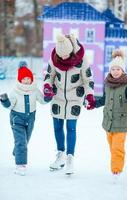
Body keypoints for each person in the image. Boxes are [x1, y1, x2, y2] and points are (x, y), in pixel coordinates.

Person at [43, 34, 95, 174]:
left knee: (71, 127)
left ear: (71, 50)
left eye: (66, 54)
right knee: (57, 127)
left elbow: (88, 80)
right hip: (57, 96)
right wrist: (47, 86)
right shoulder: (54, 58)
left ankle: (70, 158)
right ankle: (60, 154)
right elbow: (49, 76)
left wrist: (89, 95)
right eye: (61, 55)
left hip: (74, 98)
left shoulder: (82, 60)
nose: (64, 57)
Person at [86, 49, 127, 176]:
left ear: (122, 71)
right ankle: (116, 165)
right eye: (113, 69)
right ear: (110, 70)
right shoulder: (108, 85)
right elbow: (104, 100)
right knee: (112, 147)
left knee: (118, 147)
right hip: (108, 123)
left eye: (118, 69)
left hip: (121, 123)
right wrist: (94, 104)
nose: (115, 71)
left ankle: (116, 170)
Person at [0, 61, 47, 176]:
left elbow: (42, 101)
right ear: (20, 80)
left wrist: (49, 96)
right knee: (21, 142)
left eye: (28, 78)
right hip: (17, 119)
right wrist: (5, 101)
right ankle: (20, 165)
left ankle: (18, 151)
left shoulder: (35, 89)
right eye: (24, 79)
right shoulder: (15, 91)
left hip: (30, 119)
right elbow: (10, 105)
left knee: (25, 141)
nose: (26, 81)